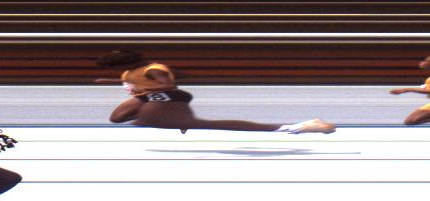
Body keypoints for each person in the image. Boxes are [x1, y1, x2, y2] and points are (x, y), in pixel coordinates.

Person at [96, 50, 334, 135]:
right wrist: (114, 81)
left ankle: (299, 127)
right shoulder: (130, 72)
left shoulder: (154, 70)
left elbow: (167, 86)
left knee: (201, 124)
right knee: (118, 118)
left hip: (169, 98)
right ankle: (171, 121)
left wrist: (145, 92)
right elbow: (140, 85)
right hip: (147, 98)